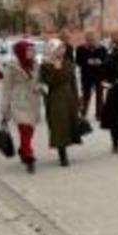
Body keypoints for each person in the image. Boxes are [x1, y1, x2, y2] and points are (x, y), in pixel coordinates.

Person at [0, 40, 41, 174]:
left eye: (32, 50)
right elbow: (6, 89)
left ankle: (23, 149)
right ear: (21, 51)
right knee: (24, 128)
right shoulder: (11, 67)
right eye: (28, 50)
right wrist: (5, 109)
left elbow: (38, 81)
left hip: (33, 101)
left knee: (30, 129)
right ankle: (29, 155)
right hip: (19, 101)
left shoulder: (35, 64)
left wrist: (40, 87)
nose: (31, 52)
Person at [39, 39, 80, 167]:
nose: (62, 51)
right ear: (52, 50)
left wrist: (77, 98)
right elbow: (49, 83)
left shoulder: (68, 63)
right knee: (58, 127)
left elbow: (73, 82)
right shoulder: (45, 65)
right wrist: (56, 69)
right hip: (55, 99)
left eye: (62, 48)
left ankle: (66, 148)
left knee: (68, 125)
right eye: (58, 48)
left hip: (69, 98)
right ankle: (62, 155)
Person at [75, 31, 108, 120]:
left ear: (96, 39)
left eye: (92, 39)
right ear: (86, 39)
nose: (91, 41)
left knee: (100, 95)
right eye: (89, 39)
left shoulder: (102, 49)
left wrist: (100, 62)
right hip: (86, 76)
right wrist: (87, 62)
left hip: (99, 76)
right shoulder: (80, 49)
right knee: (86, 95)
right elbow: (78, 61)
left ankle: (99, 114)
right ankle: (83, 112)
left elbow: (106, 61)